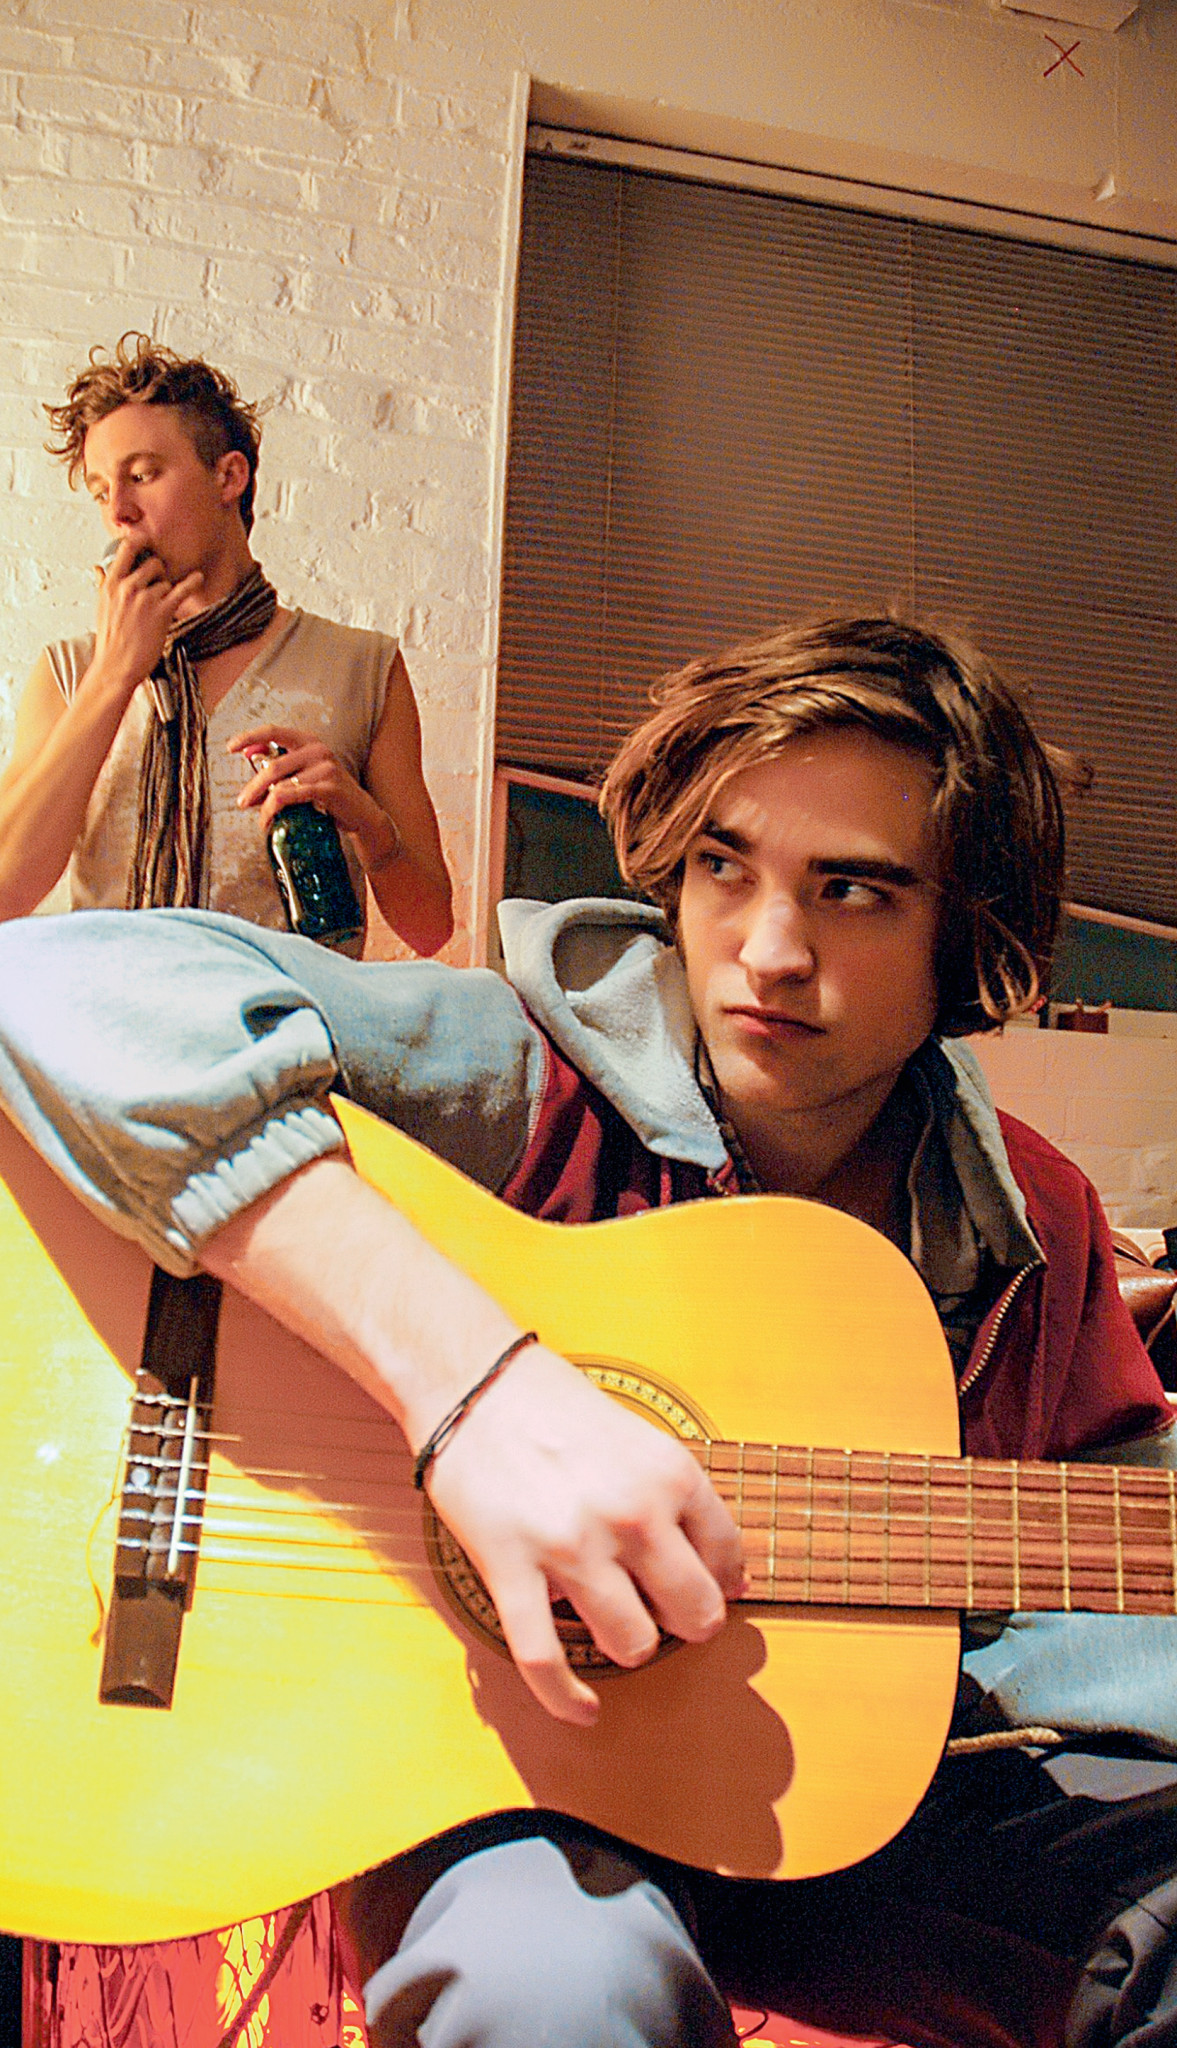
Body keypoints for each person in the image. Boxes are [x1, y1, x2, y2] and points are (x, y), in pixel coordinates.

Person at [1, 614, 1176, 2048]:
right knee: (557, 1993)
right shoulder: (520, 1071)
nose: (768, 949)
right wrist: (476, 1389)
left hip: (868, 1799)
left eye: (853, 890)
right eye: (724, 867)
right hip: (501, 1777)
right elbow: (52, 980)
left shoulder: (1030, 1217)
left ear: (968, 933)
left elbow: (1106, 1566)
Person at [0, 335, 453, 957]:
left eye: (141, 475)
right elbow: (5, 893)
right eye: (102, 490)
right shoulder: (70, 674)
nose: (118, 513)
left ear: (229, 476)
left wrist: (369, 826)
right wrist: (113, 675)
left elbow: (431, 929)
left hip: (292, 1013)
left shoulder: (362, 667)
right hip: (113, 1013)